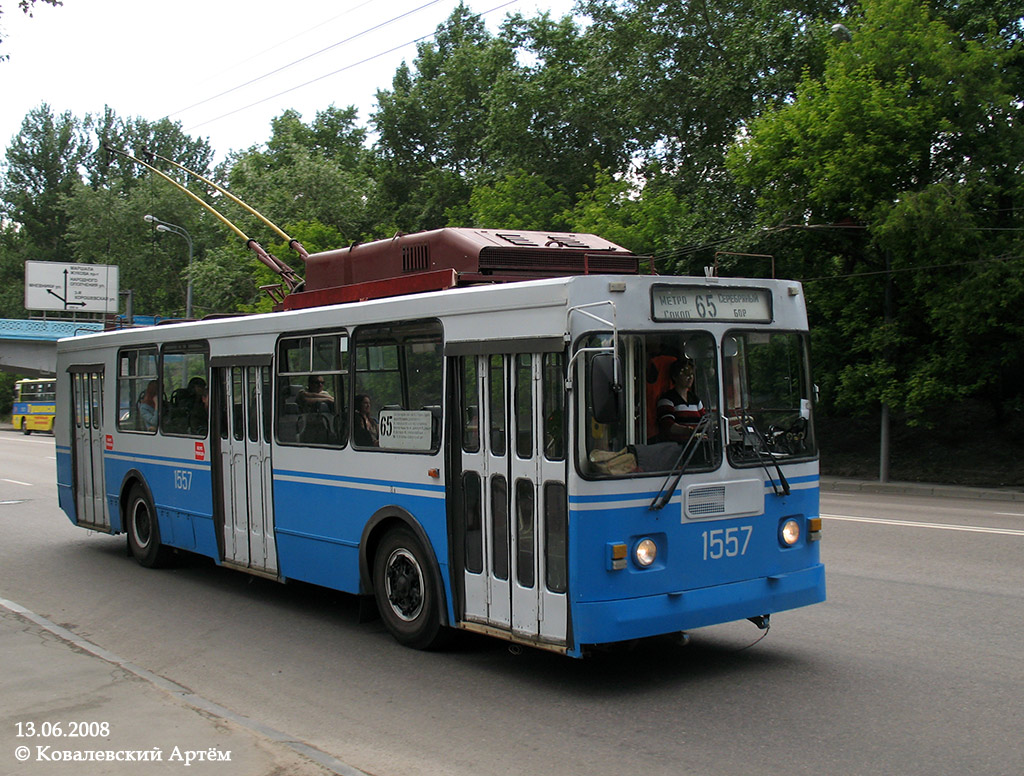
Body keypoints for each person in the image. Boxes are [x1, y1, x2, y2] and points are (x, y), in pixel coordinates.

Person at [657, 359, 705, 442]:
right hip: (678, 448)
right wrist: (689, 431)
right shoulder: (667, 399)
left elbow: (704, 421)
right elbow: (667, 425)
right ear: (675, 377)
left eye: (692, 374)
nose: (690, 377)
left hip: (696, 445)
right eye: (686, 374)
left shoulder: (695, 399)